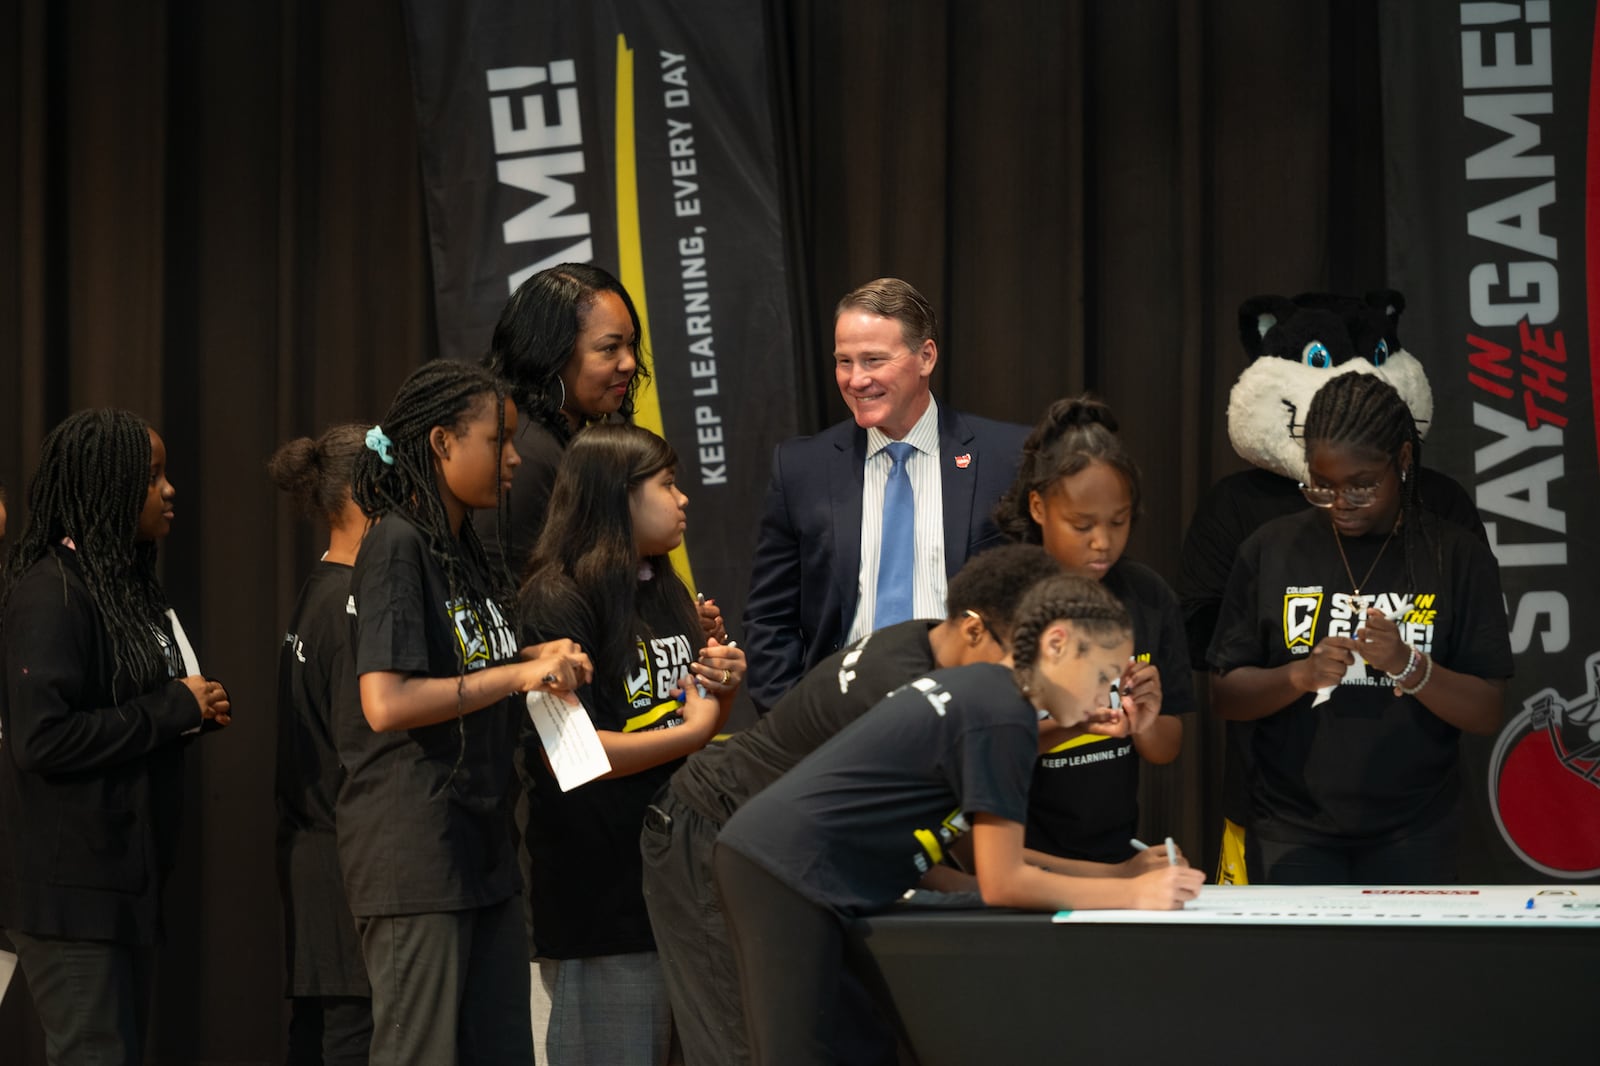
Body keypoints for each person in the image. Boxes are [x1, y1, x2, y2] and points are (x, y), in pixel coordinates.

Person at [715, 573, 1206, 1065]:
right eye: (1104, 678)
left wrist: (1072, 722)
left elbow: (977, 762)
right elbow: (1003, 881)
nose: (1106, 698)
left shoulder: (986, 692)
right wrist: (1131, 893)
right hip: (784, 869)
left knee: (863, 1047)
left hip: (812, 870)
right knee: (805, 1052)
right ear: (1057, 645)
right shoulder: (1002, 712)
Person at [644, 543, 1059, 1066]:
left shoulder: (928, 642)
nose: (1024, 686)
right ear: (975, 629)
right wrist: (1088, 885)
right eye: (1022, 662)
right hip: (715, 828)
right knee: (746, 1045)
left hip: (782, 858)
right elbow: (959, 856)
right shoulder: (901, 690)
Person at [340, 359, 591, 1065]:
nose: (514, 458)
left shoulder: (463, 550)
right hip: (418, 855)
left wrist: (543, 654)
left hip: (481, 847)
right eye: (498, 440)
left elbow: (472, 661)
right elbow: (385, 702)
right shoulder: (396, 544)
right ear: (444, 442)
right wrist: (521, 673)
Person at [1208, 373, 1512, 883]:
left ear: (1403, 462)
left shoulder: (1454, 555)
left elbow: (1486, 710)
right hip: (1293, 827)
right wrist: (1298, 677)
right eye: (1321, 485)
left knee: (1405, 966)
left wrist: (1408, 666)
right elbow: (1225, 697)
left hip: (1417, 829)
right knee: (1305, 966)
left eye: (1362, 485)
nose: (1341, 502)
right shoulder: (1269, 550)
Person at [0, 408, 232, 1065]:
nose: (168, 489)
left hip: (123, 882)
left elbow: (141, 700)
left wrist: (194, 705)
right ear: (104, 485)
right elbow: (40, 740)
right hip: (70, 892)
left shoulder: (122, 589)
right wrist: (169, 711)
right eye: (151, 475)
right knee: (94, 1052)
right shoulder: (51, 596)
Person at [519, 422, 743, 1065]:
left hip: (680, 884)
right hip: (603, 898)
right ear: (618, 496)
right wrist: (698, 728)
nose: (683, 500)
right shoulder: (556, 599)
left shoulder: (666, 586)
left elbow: (685, 716)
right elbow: (576, 757)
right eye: (667, 484)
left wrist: (722, 685)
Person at [741, 277, 1028, 709]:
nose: (856, 380)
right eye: (844, 362)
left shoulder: (1007, 457)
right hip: (843, 719)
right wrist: (790, 721)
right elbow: (770, 616)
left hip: (970, 709)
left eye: (874, 360)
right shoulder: (802, 468)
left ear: (925, 357)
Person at [993, 395, 1192, 863]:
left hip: (1115, 850)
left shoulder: (1147, 596)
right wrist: (1074, 719)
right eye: (1082, 525)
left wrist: (1144, 720)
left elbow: (1167, 746)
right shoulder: (1002, 597)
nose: (1103, 542)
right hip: (1020, 858)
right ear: (1038, 507)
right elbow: (986, 754)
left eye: (1118, 522)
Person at [267, 424, 373, 1065]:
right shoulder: (347, 603)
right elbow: (357, 750)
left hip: (319, 853)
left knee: (323, 1033)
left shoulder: (323, 588)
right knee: (346, 1037)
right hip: (339, 860)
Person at [475, 262, 648, 580]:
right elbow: (501, 586)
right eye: (609, 348)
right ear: (552, 355)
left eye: (631, 344)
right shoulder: (525, 454)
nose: (629, 363)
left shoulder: (561, 439)